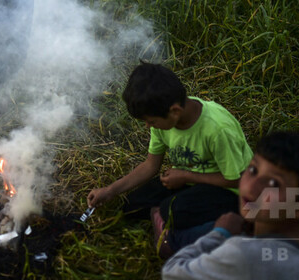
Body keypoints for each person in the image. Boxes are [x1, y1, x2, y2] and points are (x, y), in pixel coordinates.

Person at [87, 62, 252, 257]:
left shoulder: (218, 130)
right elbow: (150, 165)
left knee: (172, 210)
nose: (148, 126)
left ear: (175, 111)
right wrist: (110, 190)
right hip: (188, 180)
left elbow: (238, 179)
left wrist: (186, 176)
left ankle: (178, 227)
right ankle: (166, 214)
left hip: (229, 190)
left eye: (151, 121)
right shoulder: (163, 121)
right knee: (131, 206)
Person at [162, 131, 299, 279]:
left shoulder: (242, 255)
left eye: (274, 184)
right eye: (253, 170)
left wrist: (220, 233)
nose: (252, 186)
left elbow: (172, 273)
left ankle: (165, 237)